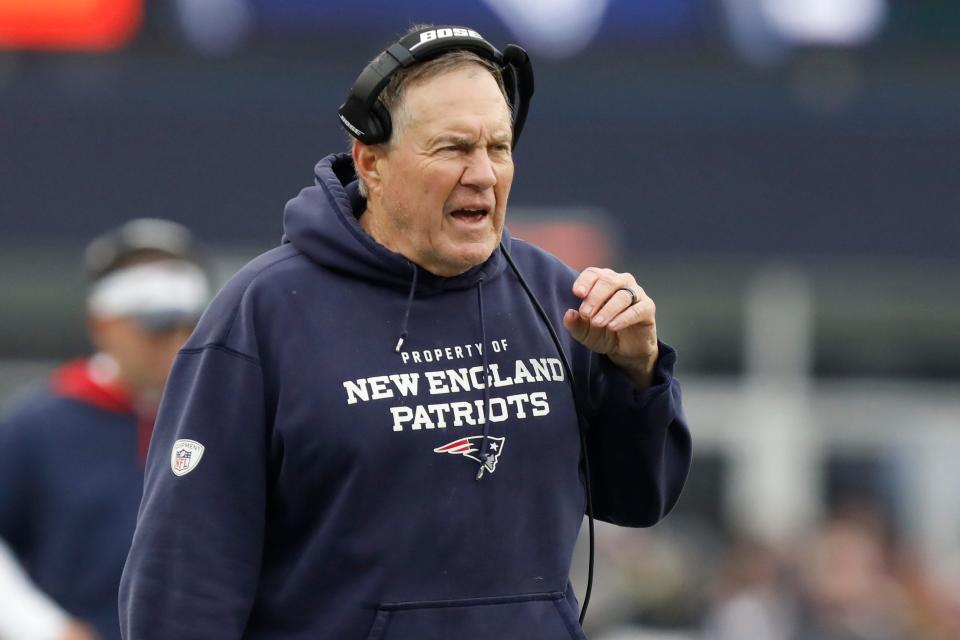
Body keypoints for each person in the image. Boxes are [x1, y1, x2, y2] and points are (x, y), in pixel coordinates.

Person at [119, 24, 692, 639]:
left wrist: (639, 372)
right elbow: (183, 576)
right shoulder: (264, 313)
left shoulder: (557, 297)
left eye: (498, 148)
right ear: (372, 162)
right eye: (452, 148)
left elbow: (639, 498)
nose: (483, 174)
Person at [0, 219, 211, 640]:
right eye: (156, 328)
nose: (175, 344)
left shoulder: (228, 415)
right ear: (103, 325)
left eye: (188, 325)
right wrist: (47, 630)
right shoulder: (38, 426)